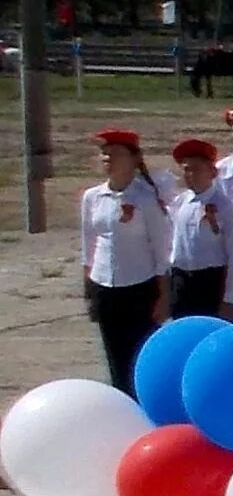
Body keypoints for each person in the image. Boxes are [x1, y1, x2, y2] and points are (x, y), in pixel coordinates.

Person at [80, 128, 171, 396]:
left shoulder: (145, 198)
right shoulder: (92, 197)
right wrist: (89, 292)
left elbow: (160, 251)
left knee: (141, 357)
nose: (108, 158)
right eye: (104, 153)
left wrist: (163, 296)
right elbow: (88, 246)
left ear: (134, 159)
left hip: (140, 287)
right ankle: (120, 405)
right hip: (105, 286)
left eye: (116, 153)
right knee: (114, 358)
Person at [168, 138, 233, 319]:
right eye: (186, 169)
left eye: (196, 169)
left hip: (211, 281)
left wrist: (230, 299)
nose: (190, 174)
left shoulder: (225, 207)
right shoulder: (179, 202)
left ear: (212, 172)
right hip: (182, 279)